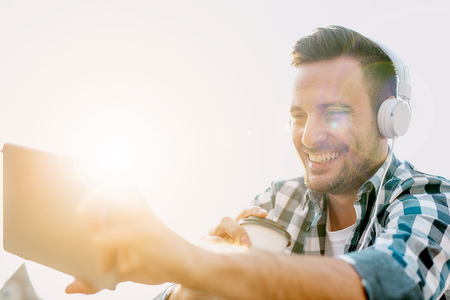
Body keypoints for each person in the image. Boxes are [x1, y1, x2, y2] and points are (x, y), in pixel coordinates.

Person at [66, 25, 450, 299]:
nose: (308, 136)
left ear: (391, 120)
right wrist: (194, 284)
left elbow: (394, 283)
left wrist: (190, 261)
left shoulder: (430, 198)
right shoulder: (280, 199)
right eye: (298, 116)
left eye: (334, 113)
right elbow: (203, 286)